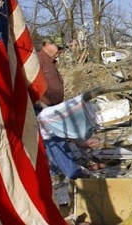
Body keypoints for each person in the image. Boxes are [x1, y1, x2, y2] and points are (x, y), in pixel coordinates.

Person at [36, 37, 85, 179]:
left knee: (58, 138)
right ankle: (72, 173)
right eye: (58, 47)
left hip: (53, 106)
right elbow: (30, 82)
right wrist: (39, 102)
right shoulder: (38, 60)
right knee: (54, 140)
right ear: (47, 45)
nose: (61, 51)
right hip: (43, 107)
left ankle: (57, 171)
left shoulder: (51, 63)